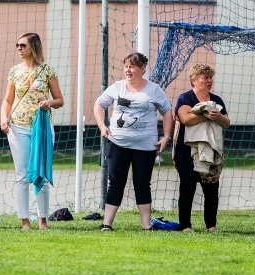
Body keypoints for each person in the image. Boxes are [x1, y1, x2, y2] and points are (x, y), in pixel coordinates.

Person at [94, 52, 173, 231]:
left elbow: (167, 111)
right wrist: (101, 126)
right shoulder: (117, 87)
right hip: (117, 143)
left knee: (142, 183)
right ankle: (107, 224)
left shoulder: (154, 90)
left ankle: (146, 225)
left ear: (142, 68)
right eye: (126, 66)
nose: (128, 70)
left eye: (132, 66)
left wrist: (166, 136)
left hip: (145, 146)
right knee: (115, 183)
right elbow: (99, 105)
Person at [0, 33, 64, 230]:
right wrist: (4, 118)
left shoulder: (47, 71)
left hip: (41, 127)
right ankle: (24, 221)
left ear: (33, 47)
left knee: (41, 173)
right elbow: (8, 100)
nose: (19, 48)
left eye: (23, 45)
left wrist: (49, 103)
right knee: (23, 174)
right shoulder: (14, 72)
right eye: (17, 45)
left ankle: (43, 219)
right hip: (17, 127)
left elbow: (60, 100)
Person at [174, 63, 231, 232]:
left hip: (211, 148)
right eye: (204, 77)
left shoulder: (217, 100)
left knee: (211, 188)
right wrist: (206, 115)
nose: (209, 80)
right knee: (188, 186)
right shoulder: (185, 98)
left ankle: (211, 226)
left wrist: (218, 116)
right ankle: (185, 225)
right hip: (186, 150)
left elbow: (227, 123)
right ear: (194, 80)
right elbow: (186, 119)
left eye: (210, 77)